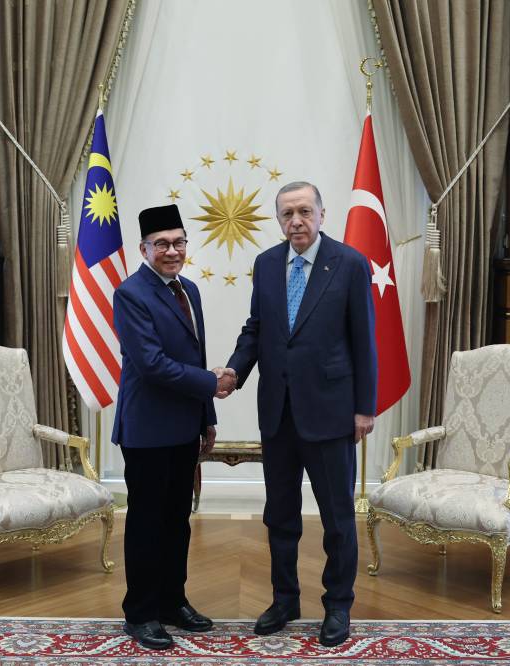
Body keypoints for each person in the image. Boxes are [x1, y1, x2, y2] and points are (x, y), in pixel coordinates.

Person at [223, 181, 377, 647]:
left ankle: (338, 605)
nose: (296, 221)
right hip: (278, 413)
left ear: (322, 215)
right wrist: (234, 371)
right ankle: (284, 599)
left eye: (305, 212)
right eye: (287, 214)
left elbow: (364, 340)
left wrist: (364, 408)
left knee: (337, 518)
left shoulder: (350, 263)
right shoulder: (267, 264)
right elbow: (256, 329)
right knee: (280, 515)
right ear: (279, 220)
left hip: (331, 413)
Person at [112, 203, 235, 650]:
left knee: (177, 521)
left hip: (185, 427)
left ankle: (172, 601)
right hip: (147, 429)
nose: (172, 251)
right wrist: (212, 384)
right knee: (147, 523)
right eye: (161, 244)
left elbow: (194, 358)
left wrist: (207, 418)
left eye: (178, 242)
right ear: (144, 249)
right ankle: (141, 613)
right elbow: (151, 364)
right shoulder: (130, 294)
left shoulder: (190, 290)